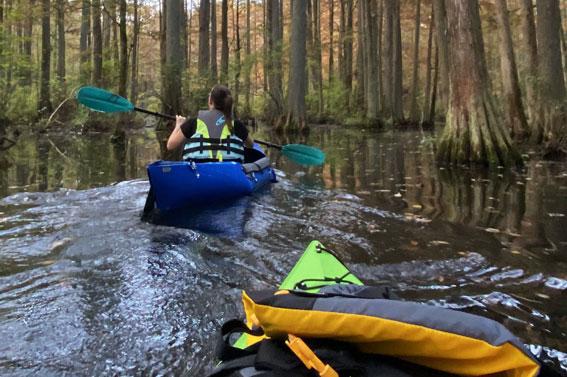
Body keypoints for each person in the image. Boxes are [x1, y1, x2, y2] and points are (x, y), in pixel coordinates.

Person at [166, 85, 254, 163]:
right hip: (230, 174)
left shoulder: (193, 123)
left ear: (210, 102)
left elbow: (170, 145)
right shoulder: (237, 125)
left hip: (198, 174)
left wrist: (178, 125)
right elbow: (251, 145)